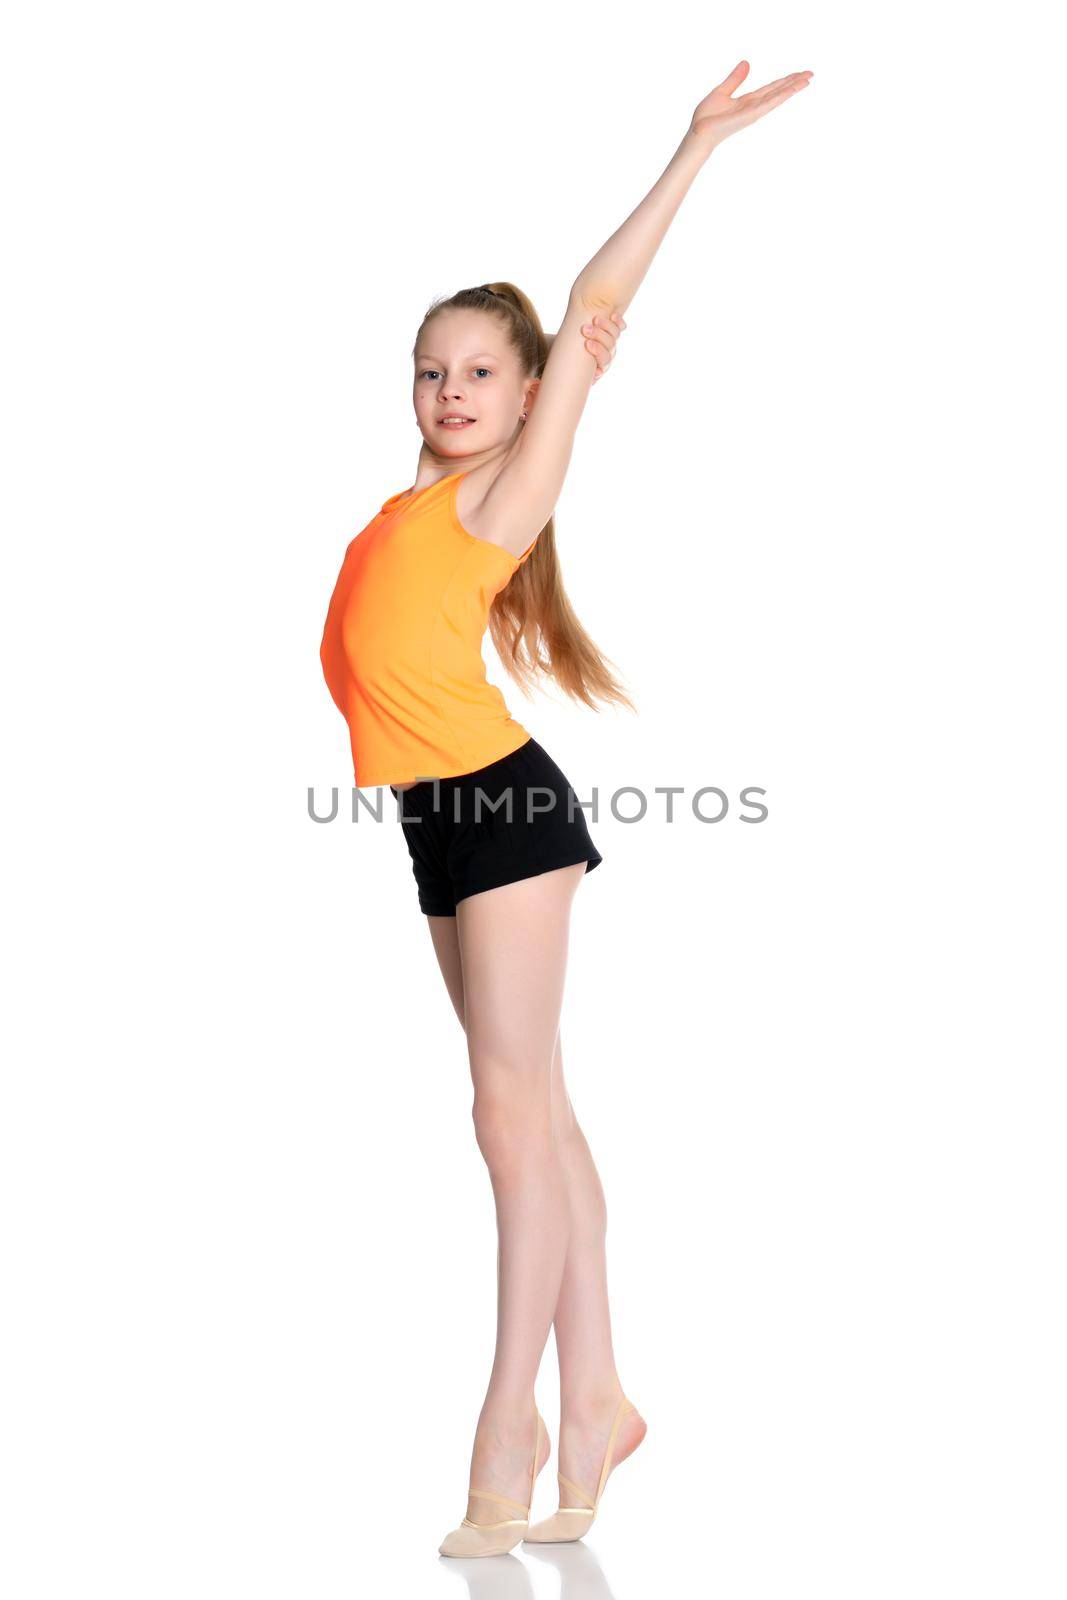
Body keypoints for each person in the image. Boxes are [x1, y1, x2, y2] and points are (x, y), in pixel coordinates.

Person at [319, 58, 814, 1557]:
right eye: (434, 371)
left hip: (508, 815)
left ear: (531, 392)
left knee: (505, 1115)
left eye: (482, 371)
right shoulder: (410, 505)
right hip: (434, 825)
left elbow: (593, 307)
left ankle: (509, 1425)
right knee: (539, 1119)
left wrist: (694, 148)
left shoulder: (498, 503)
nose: (453, 392)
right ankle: (600, 1397)